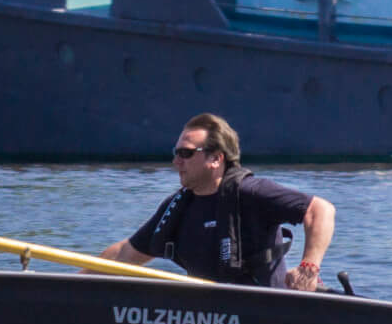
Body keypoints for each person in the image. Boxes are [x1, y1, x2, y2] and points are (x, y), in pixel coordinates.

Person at [99, 113, 336, 291]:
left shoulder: (251, 192)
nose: (176, 162)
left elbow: (320, 210)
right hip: (207, 315)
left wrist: (309, 267)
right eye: (176, 153)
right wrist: (73, 284)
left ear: (215, 158)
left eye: (186, 153)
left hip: (265, 312)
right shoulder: (177, 207)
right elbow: (126, 253)